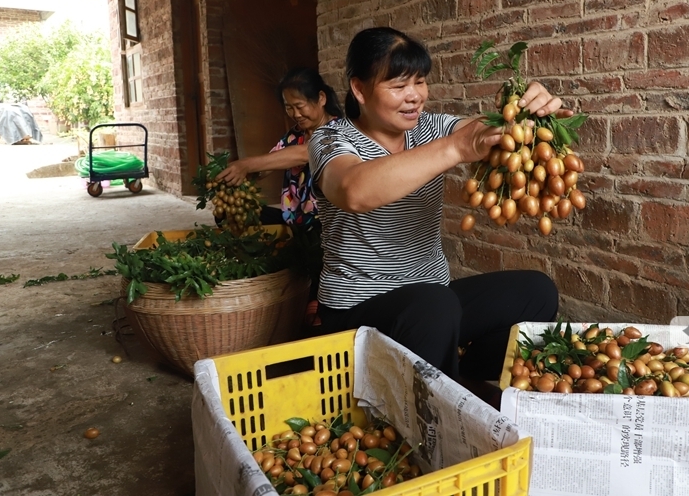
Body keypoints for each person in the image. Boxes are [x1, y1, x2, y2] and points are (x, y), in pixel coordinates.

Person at [308, 27, 561, 388]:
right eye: (398, 86)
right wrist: (456, 149)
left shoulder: (430, 128)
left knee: (537, 294)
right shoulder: (331, 138)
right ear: (359, 89)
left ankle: (460, 381)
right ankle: (438, 401)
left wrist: (529, 115)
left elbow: (483, 130)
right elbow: (353, 190)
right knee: (433, 305)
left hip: (432, 300)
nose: (414, 97)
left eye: (420, 82)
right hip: (357, 312)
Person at [217, 67, 343, 326]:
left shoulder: (339, 131)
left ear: (320, 98)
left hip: (325, 227)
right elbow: (271, 162)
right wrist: (234, 179)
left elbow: (306, 153)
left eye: (300, 106)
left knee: (314, 262)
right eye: (289, 108)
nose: (295, 114)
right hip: (295, 220)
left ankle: (316, 303)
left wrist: (248, 164)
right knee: (229, 214)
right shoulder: (294, 135)